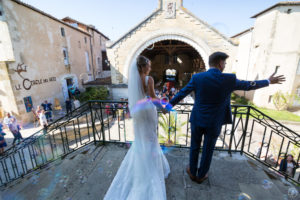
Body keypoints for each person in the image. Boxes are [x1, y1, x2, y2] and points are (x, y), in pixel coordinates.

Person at [169, 51, 285, 184]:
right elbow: (248, 85)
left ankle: (192, 172)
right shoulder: (229, 79)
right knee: (208, 149)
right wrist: (268, 81)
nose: (225, 65)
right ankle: (201, 176)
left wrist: (168, 106)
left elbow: (182, 93)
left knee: (194, 146)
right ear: (220, 63)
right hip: (214, 123)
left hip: (197, 119)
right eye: (224, 62)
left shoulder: (197, 78)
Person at [104, 55, 170, 200]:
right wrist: (164, 108)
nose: (150, 68)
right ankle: (151, 169)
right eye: (149, 65)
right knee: (151, 140)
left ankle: (141, 166)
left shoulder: (133, 81)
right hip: (148, 112)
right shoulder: (149, 79)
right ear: (142, 67)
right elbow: (153, 97)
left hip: (138, 115)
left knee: (141, 141)